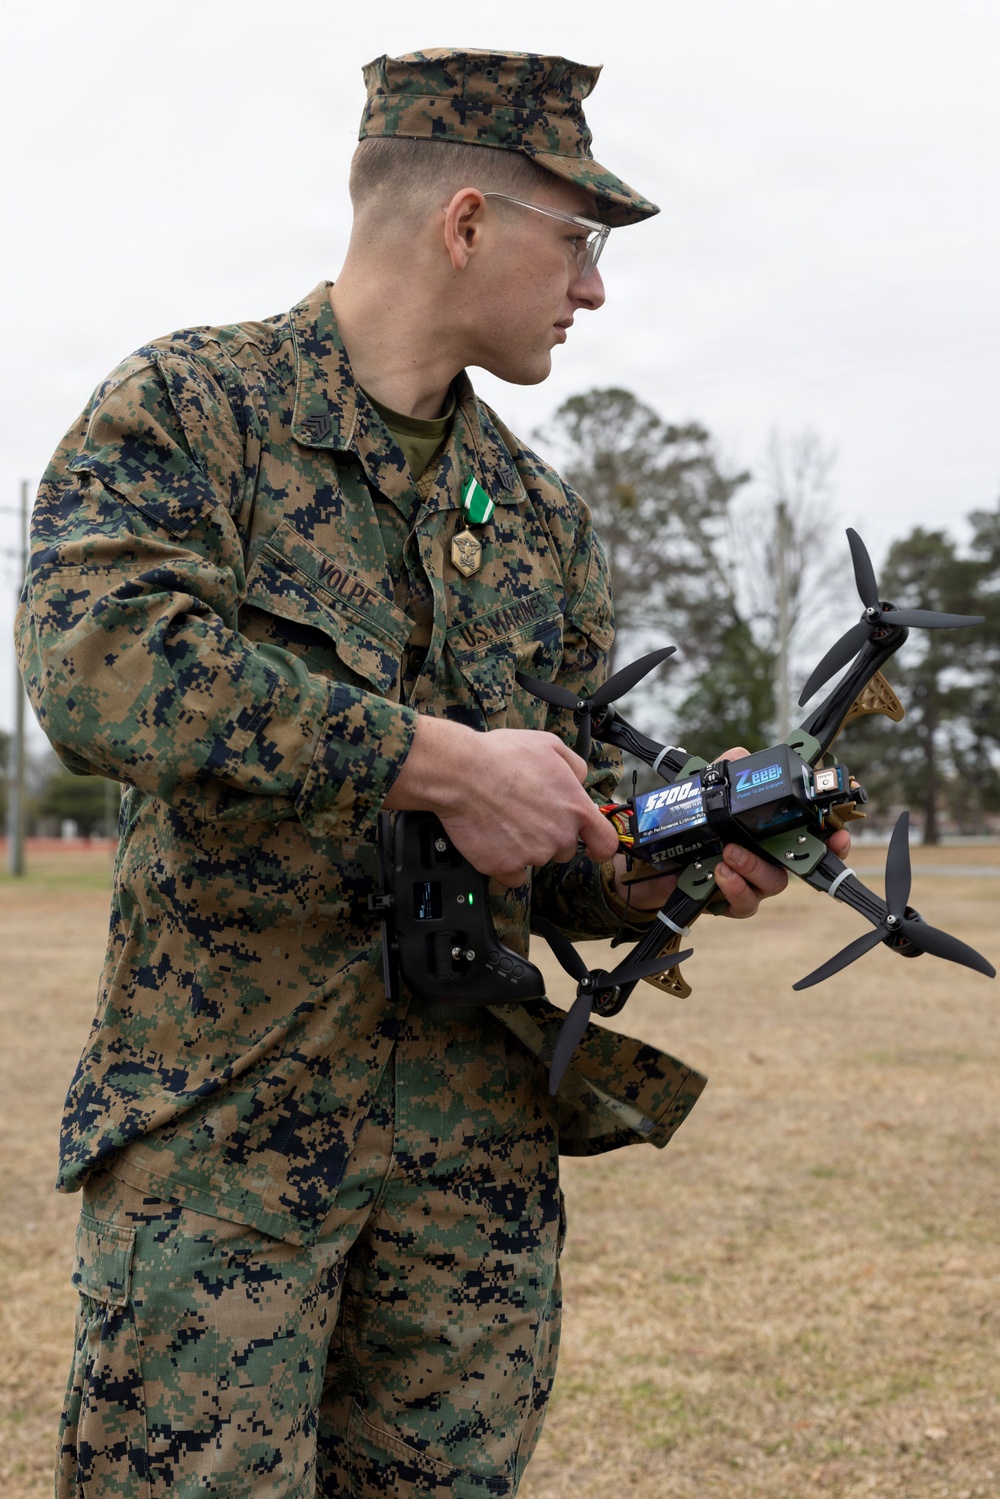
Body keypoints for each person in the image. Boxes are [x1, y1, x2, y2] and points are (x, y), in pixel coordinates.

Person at [17, 49, 848, 1499]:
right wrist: (428, 759)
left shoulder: (534, 516)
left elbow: (558, 845)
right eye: (578, 241)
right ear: (465, 224)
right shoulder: (190, 412)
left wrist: (653, 854)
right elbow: (96, 663)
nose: (591, 290)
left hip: (470, 1168)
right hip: (228, 1147)